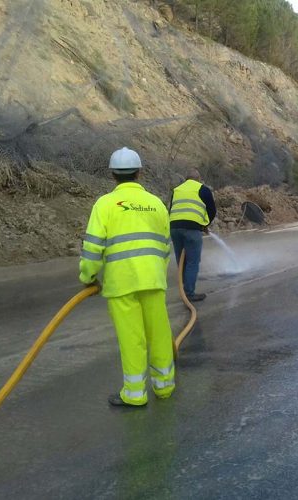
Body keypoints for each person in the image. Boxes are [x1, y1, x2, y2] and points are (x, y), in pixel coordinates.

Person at [79, 147, 175, 407]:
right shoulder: (156, 204)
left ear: (112, 175)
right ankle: (164, 387)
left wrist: (88, 276)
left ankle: (135, 395)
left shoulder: (105, 205)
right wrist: (155, 271)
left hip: (122, 285)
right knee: (160, 334)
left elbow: (93, 248)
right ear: (140, 173)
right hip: (153, 280)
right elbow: (166, 246)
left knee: (132, 339)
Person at [169, 168, 217, 302]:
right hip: (192, 229)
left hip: (174, 227)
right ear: (199, 179)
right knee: (192, 261)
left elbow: (171, 209)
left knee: (181, 260)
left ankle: (184, 288)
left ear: (186, 179)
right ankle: (189, 293)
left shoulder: (176, 190)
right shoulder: (203, 189)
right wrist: (204, 225)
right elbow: (212, 210)